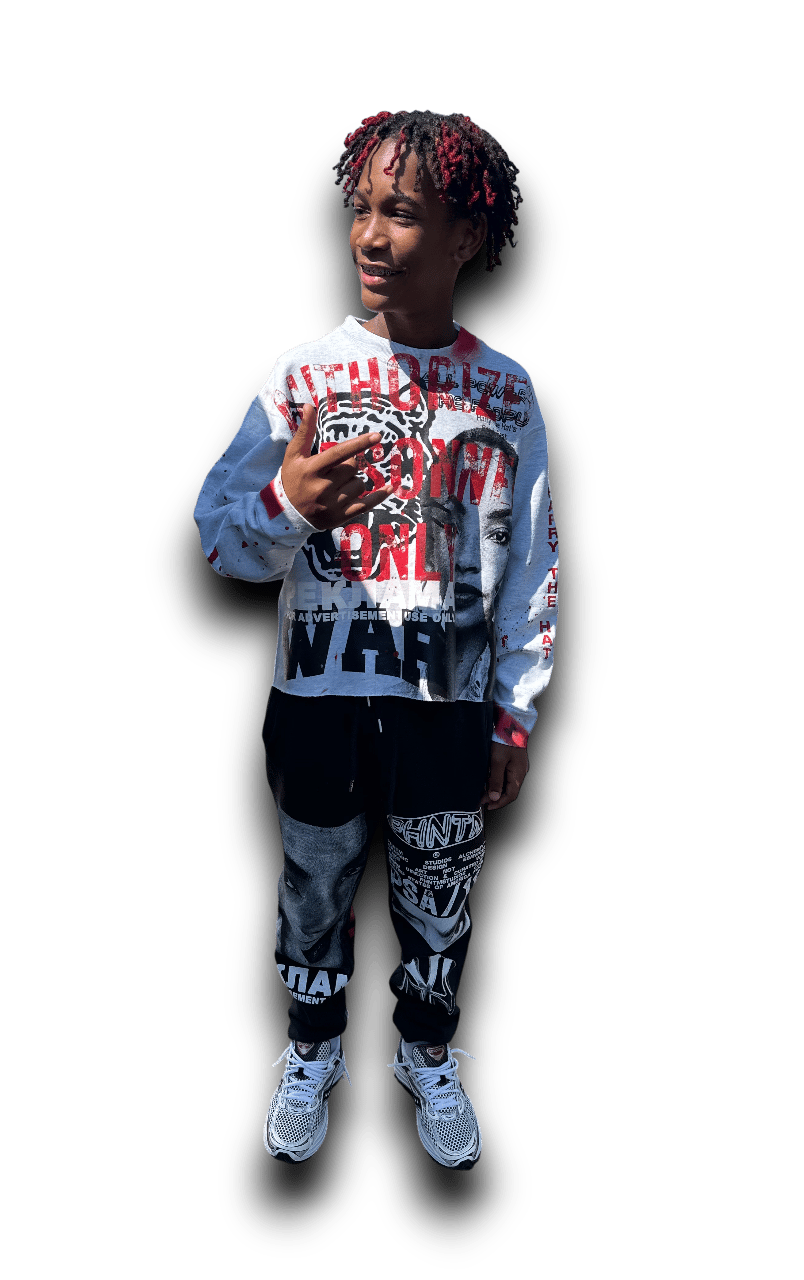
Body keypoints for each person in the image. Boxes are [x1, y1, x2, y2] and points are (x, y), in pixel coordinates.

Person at [193, 110, 558, 1171]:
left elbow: (533, 567)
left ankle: (427, 1051)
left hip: (447, 709)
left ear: (465, 238)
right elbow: (218, 541)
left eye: (401, 212)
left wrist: (515, 714)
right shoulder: (300, 379)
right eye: (361, 209)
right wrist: (289, 504)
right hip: (315, 700)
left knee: (439, 894)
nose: (368, 234)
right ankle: (310, 1049)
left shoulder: (510, 395)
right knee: (310, 887)